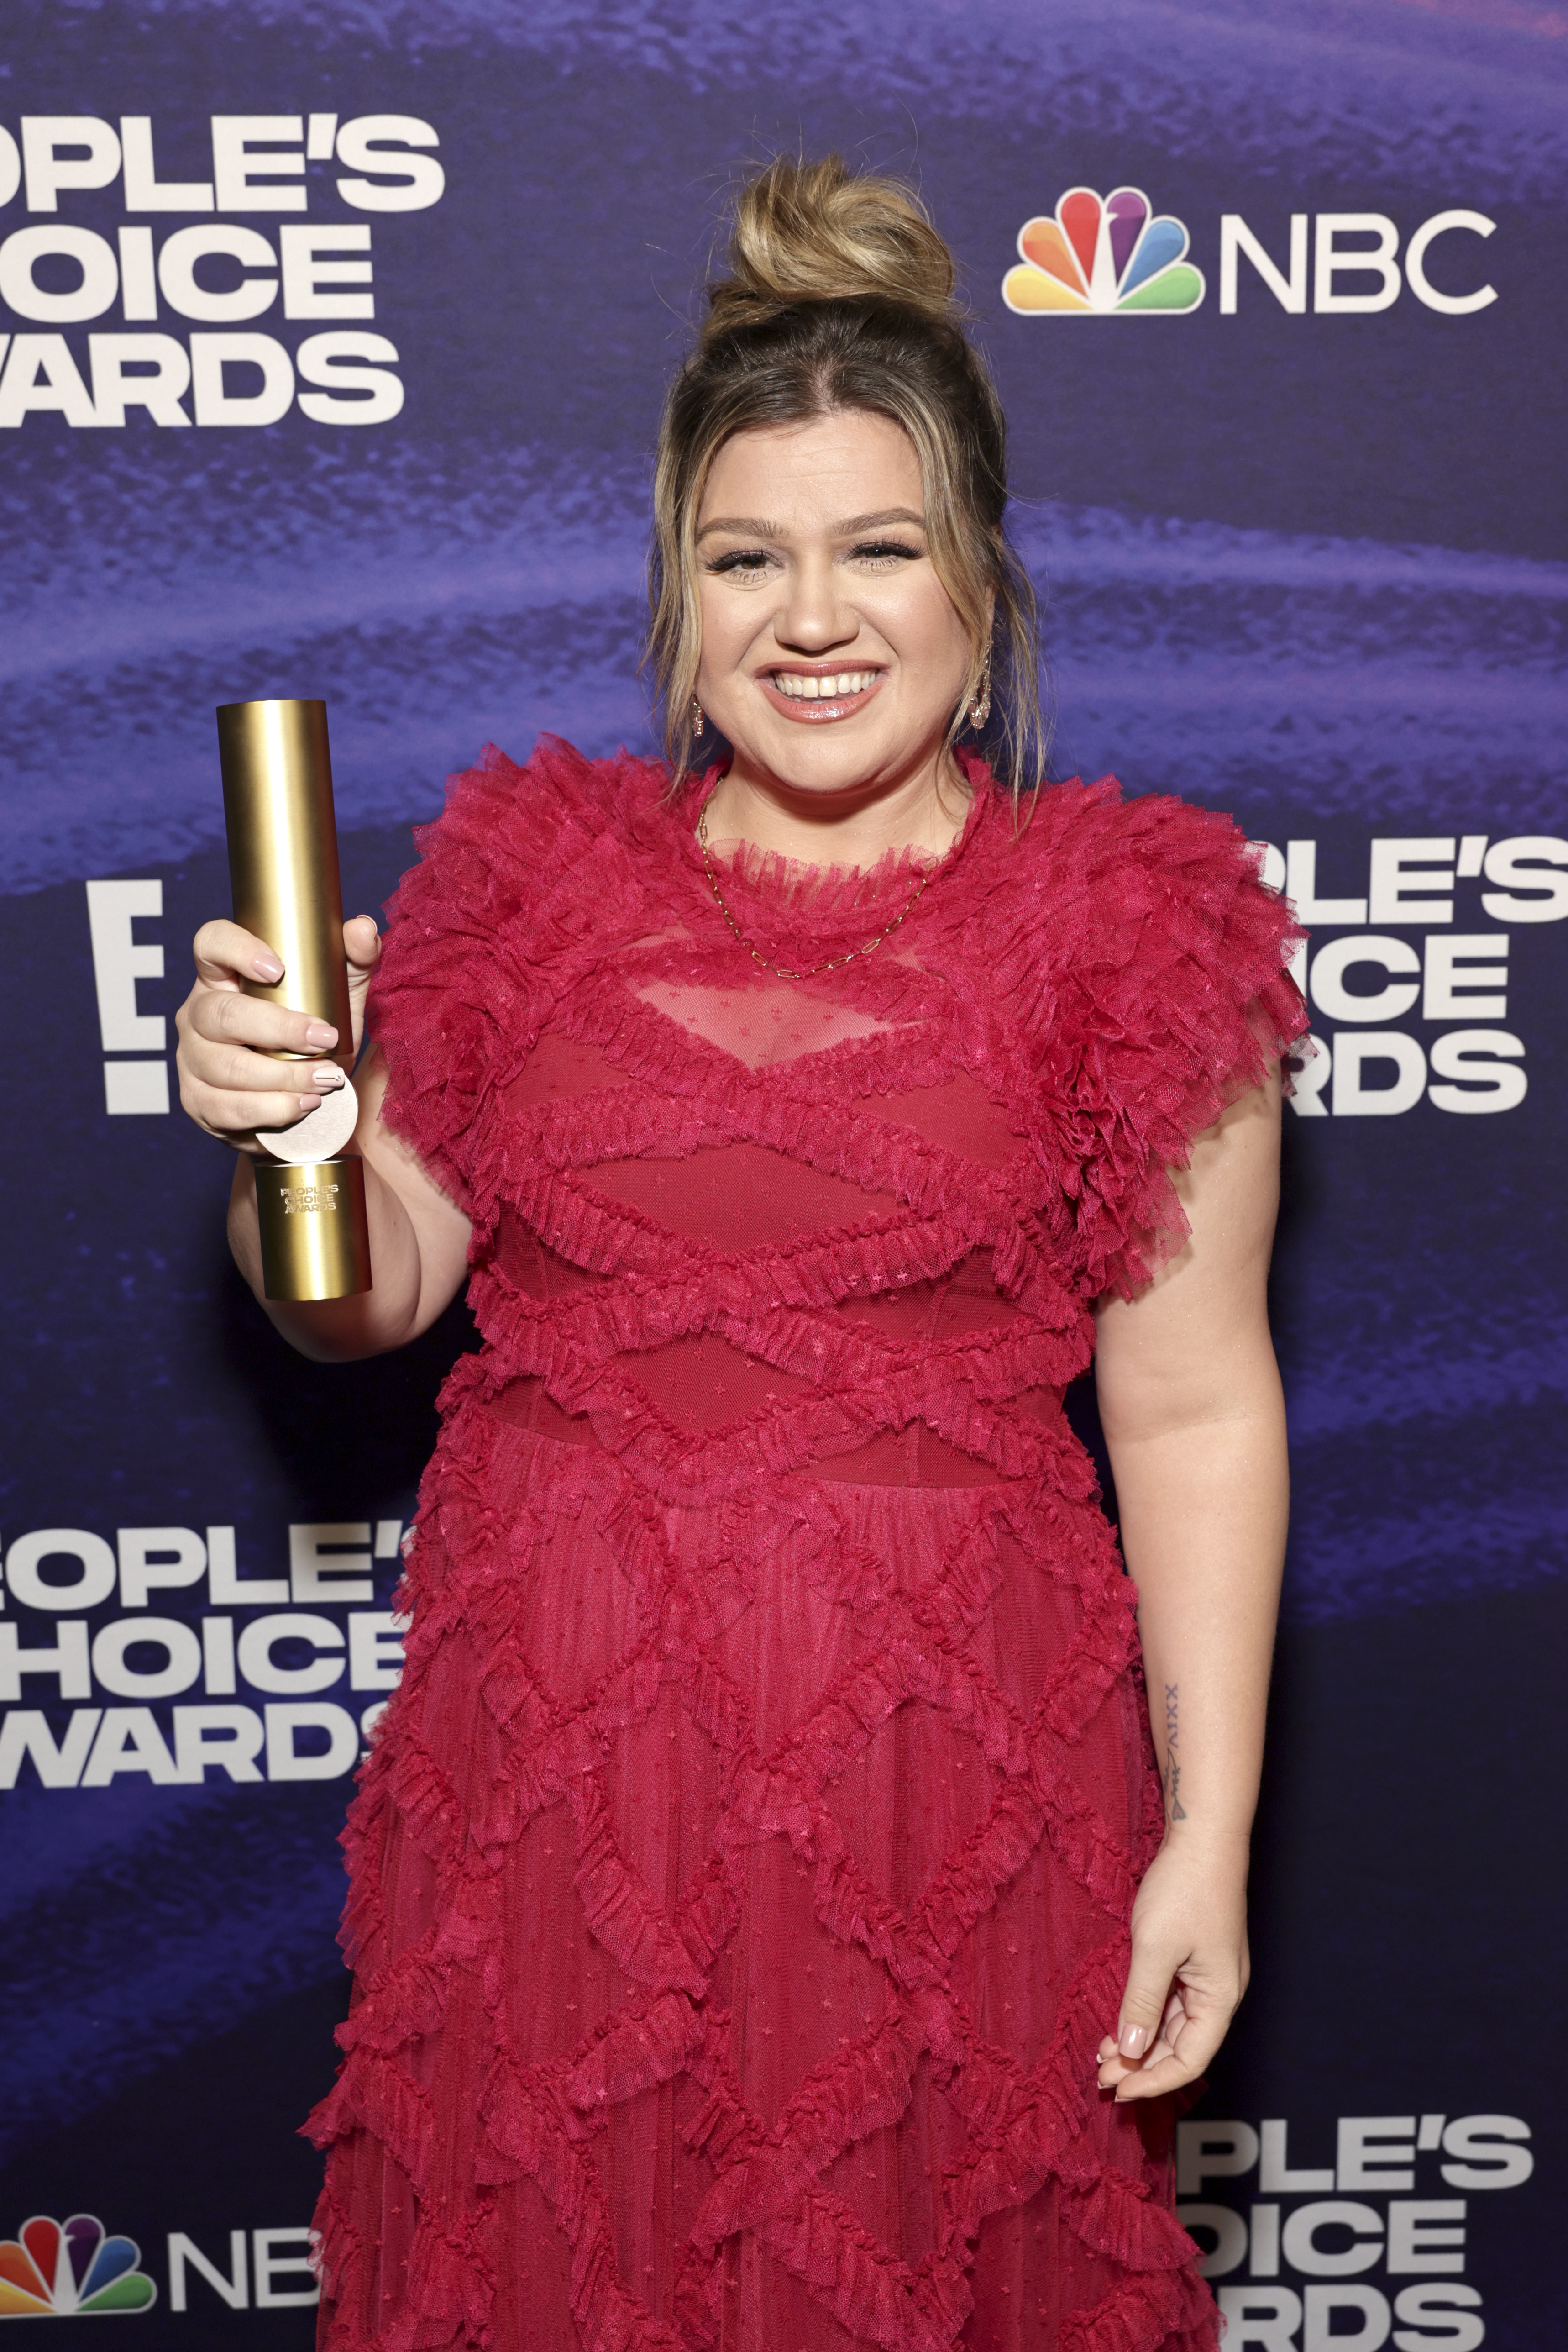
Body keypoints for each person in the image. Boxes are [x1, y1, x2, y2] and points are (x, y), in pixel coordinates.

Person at [176, 154, 1305, 2352]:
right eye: (746, 557)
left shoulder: (1134, 938)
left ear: (980, 582)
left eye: (880, 550)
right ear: (677, 595)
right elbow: (364, 1290)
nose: (814, 615)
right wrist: (294, 1137)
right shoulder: (524, 886)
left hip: (954, 1785)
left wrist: (1213, 1828)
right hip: (559, 1780)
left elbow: (1191, 1400)